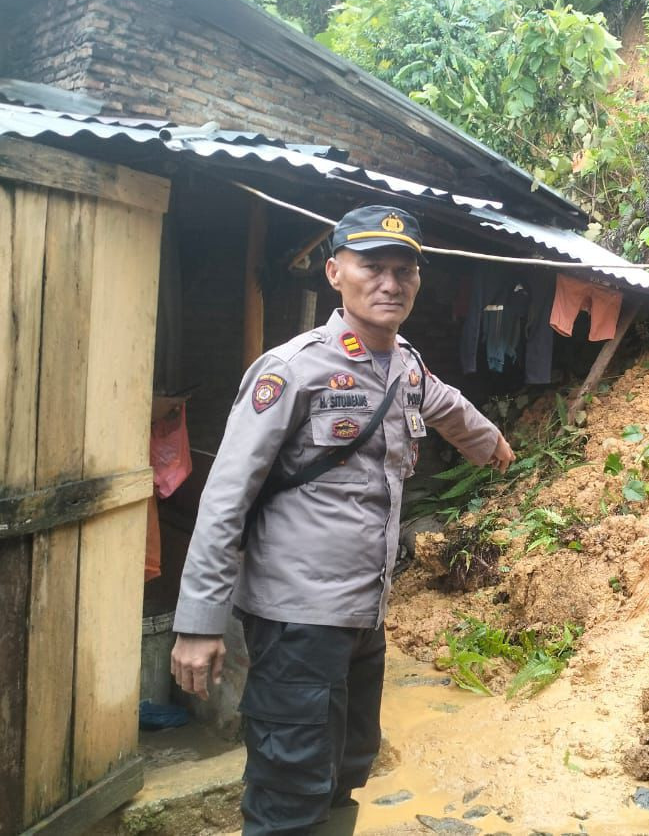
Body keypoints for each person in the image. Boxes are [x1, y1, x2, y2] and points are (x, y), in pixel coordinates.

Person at [171, 204, 515, 834]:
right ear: (334, 273)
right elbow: (225, 498)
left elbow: (443, 402)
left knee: (346, 769)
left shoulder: (404, 365)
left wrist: (487, 440)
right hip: (296, 619)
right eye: (372, 267)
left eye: (404, 270)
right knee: (290, 786)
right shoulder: (293, 369)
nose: (390, 283)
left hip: (364, 617)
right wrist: (198, 623)